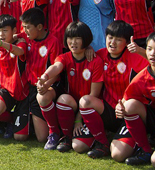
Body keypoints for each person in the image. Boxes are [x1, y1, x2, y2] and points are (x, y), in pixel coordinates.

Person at [80, 21, 147, 159]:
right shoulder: (100, 54)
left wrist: (140, 50)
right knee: (85, 102)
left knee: (118, 155)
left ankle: (140, 139)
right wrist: (87, 48)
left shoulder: (134, 56)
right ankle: (102, 143)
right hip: (109, 109)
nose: (112, 42)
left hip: (127, 111)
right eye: (110, 37)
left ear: (127, 42)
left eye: (118, 39)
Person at [36, 21, 104, 152]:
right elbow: (56, 67)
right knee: (50, 97)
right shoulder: (65, 57)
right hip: (70, 104)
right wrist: (44, 77)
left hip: (88, 108)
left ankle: (98, 135)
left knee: (79, 147)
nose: (73, 42)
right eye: (70, 38)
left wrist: (78, 119)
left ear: (86, 39)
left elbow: (93, 95)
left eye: (77, 38)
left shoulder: (96, 61)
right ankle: (60, 135)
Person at [119, 31, 155, 167]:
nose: (152, 54)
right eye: (149, 49)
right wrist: (119, 107)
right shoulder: (141, 77)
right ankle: (145, 150)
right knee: (130, 105)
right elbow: (126, 100)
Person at [16, 8, 62, 143]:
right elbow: (15, 37)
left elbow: (58, 69)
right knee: (19, 136)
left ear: (40, 27)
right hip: (28, 88)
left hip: (46, 87)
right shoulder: (26, 37)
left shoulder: (53, 42)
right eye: (23, 27)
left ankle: (55, 129)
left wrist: (46, 84)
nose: (25, 31)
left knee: (41, 137)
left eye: (28, 27)